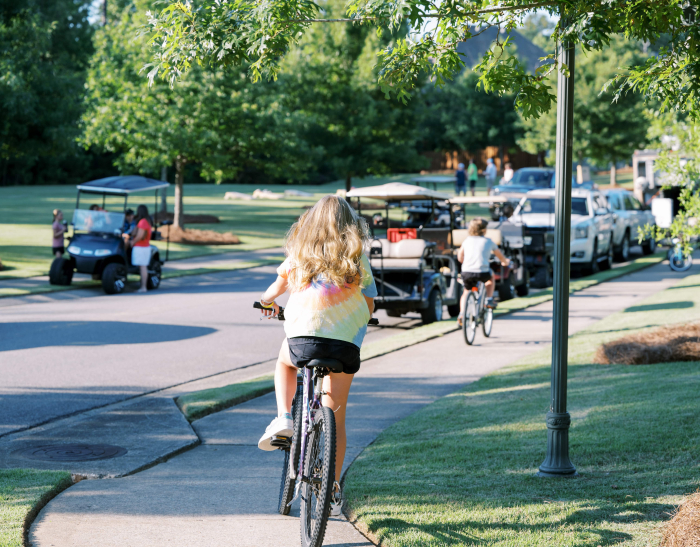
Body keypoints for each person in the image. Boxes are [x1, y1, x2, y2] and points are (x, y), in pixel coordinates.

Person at [257, 195, 377, 517]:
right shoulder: (356, 256)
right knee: (335, 413)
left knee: (284, 362)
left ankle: (284, 418)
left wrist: (267, 303)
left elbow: (274, 291)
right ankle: (332, 486)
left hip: (303, 340)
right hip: (344, 346)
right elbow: (369, 304)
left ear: (310, 222)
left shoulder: (301, 253)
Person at [457, 218, 510, 323]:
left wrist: (465, 262)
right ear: (484, 230)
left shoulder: (466, 241)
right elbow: (500, 256)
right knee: (491, 276)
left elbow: (460, 257)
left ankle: (462, 313)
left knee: (466, 291)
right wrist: (505, 262)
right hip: (482, 272)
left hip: (467, 271)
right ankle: (489, 299)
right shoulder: (488, 241)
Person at [130, 205, 152, 293]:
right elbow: (133, 232)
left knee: (143, 267)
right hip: (145, 247)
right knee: (142, 267)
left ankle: (143, 287)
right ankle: (143, 286)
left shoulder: (143, 222)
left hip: (141, 247)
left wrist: (133, 242)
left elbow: (139, 235)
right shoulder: (146, 221)